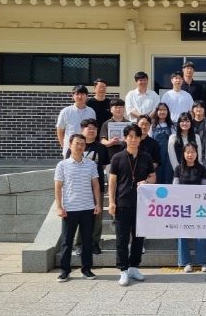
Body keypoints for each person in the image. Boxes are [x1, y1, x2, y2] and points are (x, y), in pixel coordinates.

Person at [108, 123, 156, 286]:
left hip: (141, 204)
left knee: (138, 237)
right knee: (122, 239)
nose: (133, 139)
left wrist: (146, 181)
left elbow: (153, 177)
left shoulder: (146, 157)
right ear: (125, 138)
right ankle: (123, 270)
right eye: (130, 136)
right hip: (122, 203)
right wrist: (111, 202)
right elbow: (112, 181)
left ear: (140, 138)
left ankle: (134, 267)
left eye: (136, 136)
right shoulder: (117, 157)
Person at [54, 134, 102, 282]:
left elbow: (96, 185)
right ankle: (64, 270)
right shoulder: (62, 165)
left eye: (82, 144)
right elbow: (58, 187)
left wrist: (98, 204)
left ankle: (86, 269)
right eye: (77, 143)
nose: (80, 146)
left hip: (88, 208)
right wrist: (59, 207)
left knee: (87, 241)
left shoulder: (91, 164)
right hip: (70, 209)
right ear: (70, 145)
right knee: (67, 241)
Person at [65, 118, 109, 256]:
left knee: (97, 217)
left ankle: (94, 243)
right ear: (82, 129)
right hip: (78, 189)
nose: (92, 131)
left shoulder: (101, 148)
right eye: (89, 128)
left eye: (94, 129)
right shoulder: (73, 148)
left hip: (96, 187)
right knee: (79, 216)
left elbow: (103, 166)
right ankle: (79, 244)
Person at [174, 141, 206, 273]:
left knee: (201, 233)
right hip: (183, 207)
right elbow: (175, 187)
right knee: (182, 234)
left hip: (199, 207)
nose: (190, 155)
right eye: (188, 152)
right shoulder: (178, 169)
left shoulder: (201, 168)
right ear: (183, 154)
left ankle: (203, 262)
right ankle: (185, 262)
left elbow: (205, 187)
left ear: (197, 153)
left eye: (193, 152)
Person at [56, 84, 96, 155]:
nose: (80, 97)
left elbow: (93, 130)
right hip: (70, 149)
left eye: (82, 94)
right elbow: (60, 131)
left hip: (87, 149)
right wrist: (64, 146)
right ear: (73, 96)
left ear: (86, 96)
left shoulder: (91, 112)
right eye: (77, 94)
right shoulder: (66, 111)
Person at [150, 102, 175, 184]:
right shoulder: (152, 126)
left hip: (169, 157)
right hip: (156, 156)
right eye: (160, 110)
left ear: (168, 112)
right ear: (156, 112)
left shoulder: (172, 126)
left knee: (168, 177)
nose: (162, 112)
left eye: (164, 110)